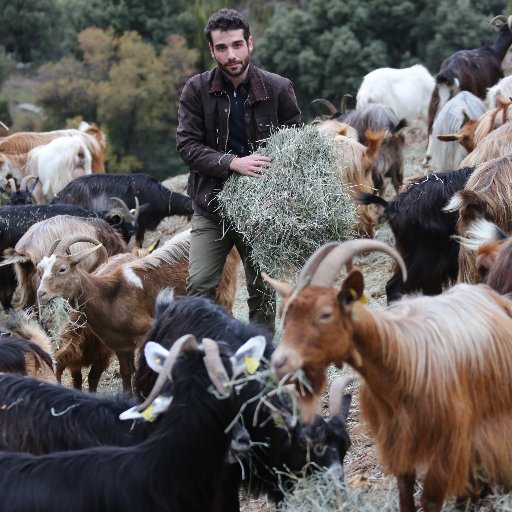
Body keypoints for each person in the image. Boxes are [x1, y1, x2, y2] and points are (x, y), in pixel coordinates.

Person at [176, 8, 301, 331]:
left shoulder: (278, 88)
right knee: (199, 285)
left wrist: (277, 183)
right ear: (211, 51)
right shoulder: (196, 89)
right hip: (211, 205)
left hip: (262, 210)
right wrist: (231, 162)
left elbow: (296, 143)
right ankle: (204, 355)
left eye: (236, 45)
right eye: (221, 48)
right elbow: (187, 146)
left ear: (250, 44)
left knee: (263, 290)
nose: (230, 55)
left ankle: (258, 362)